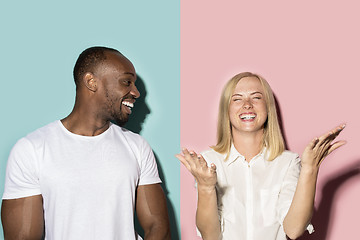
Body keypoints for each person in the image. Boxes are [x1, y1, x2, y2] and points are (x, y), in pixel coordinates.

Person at [1, 46, 171, 240]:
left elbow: (158, 228)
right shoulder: (31, 149)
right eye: (127, 82)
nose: (136, 92)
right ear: (91, 82)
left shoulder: (137, 147)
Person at [176, 72, 346, 240]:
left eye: (256, 97)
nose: (247, 104)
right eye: (237, 99)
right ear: (226, 110)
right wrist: (206, 187)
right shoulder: (209, 162)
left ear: (268, 107)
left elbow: (294, 229)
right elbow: (210, 236)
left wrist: (310, 169)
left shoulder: (288, 163)